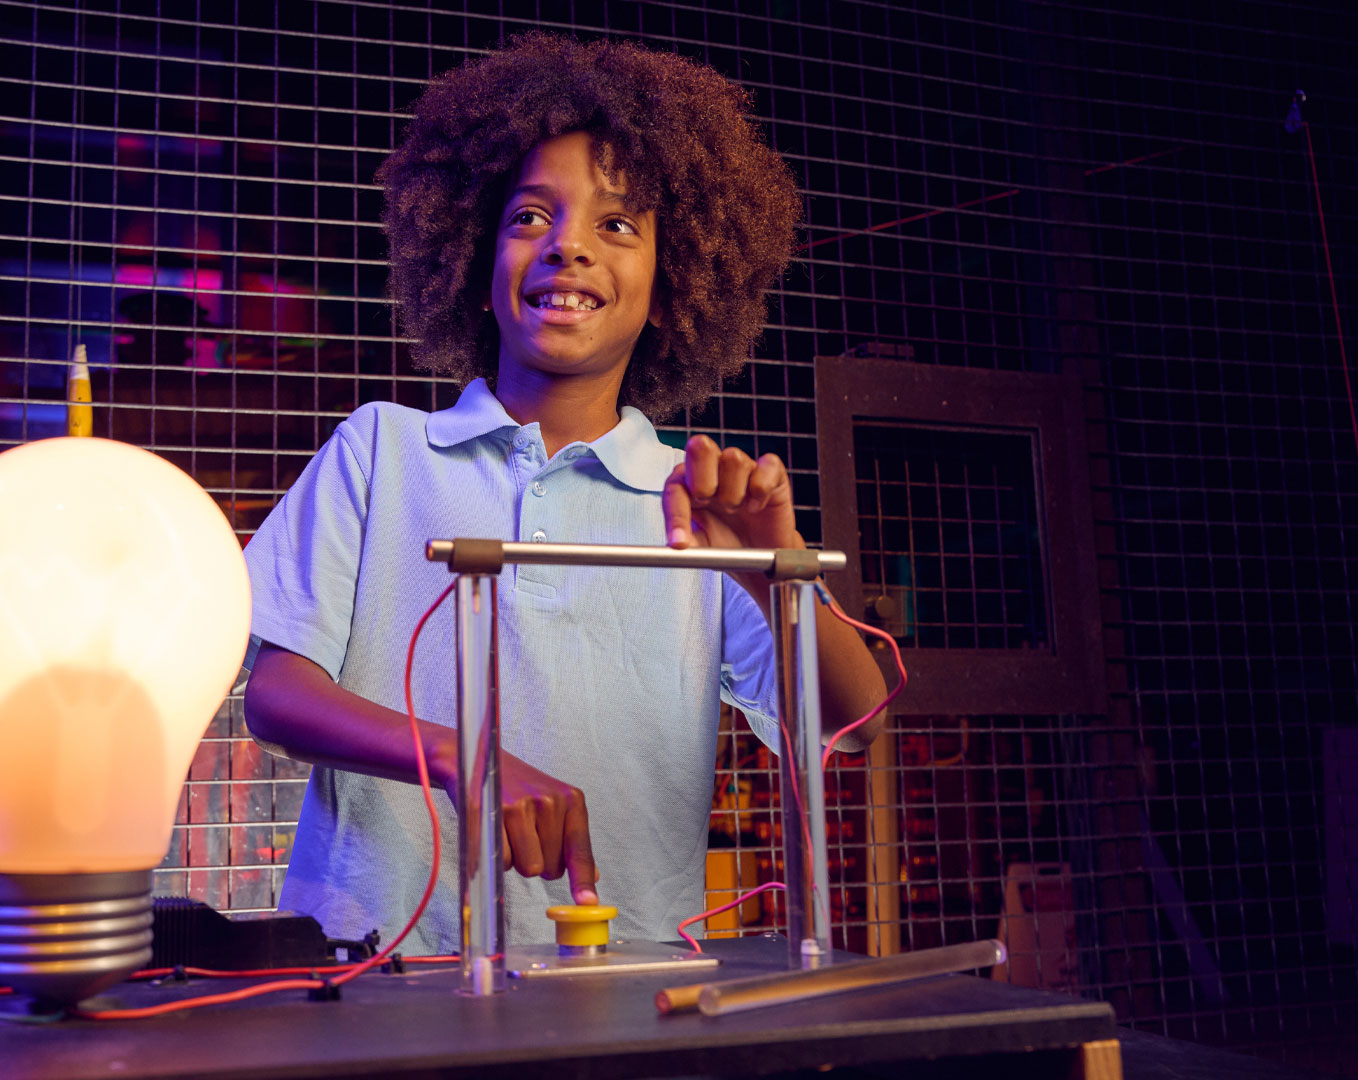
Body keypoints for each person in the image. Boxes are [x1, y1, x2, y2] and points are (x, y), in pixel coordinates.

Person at [241, 34, 887, 955]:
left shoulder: (693, 501)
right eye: (531, 217)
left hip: (618, 988)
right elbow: (276, 695)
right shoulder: (382, 451)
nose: (570, 246)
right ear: (475, 254)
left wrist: (766, 574)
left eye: (618, 225)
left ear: (673, 283)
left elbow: (856, 725)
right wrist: (476, 762)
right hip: (372, 977)